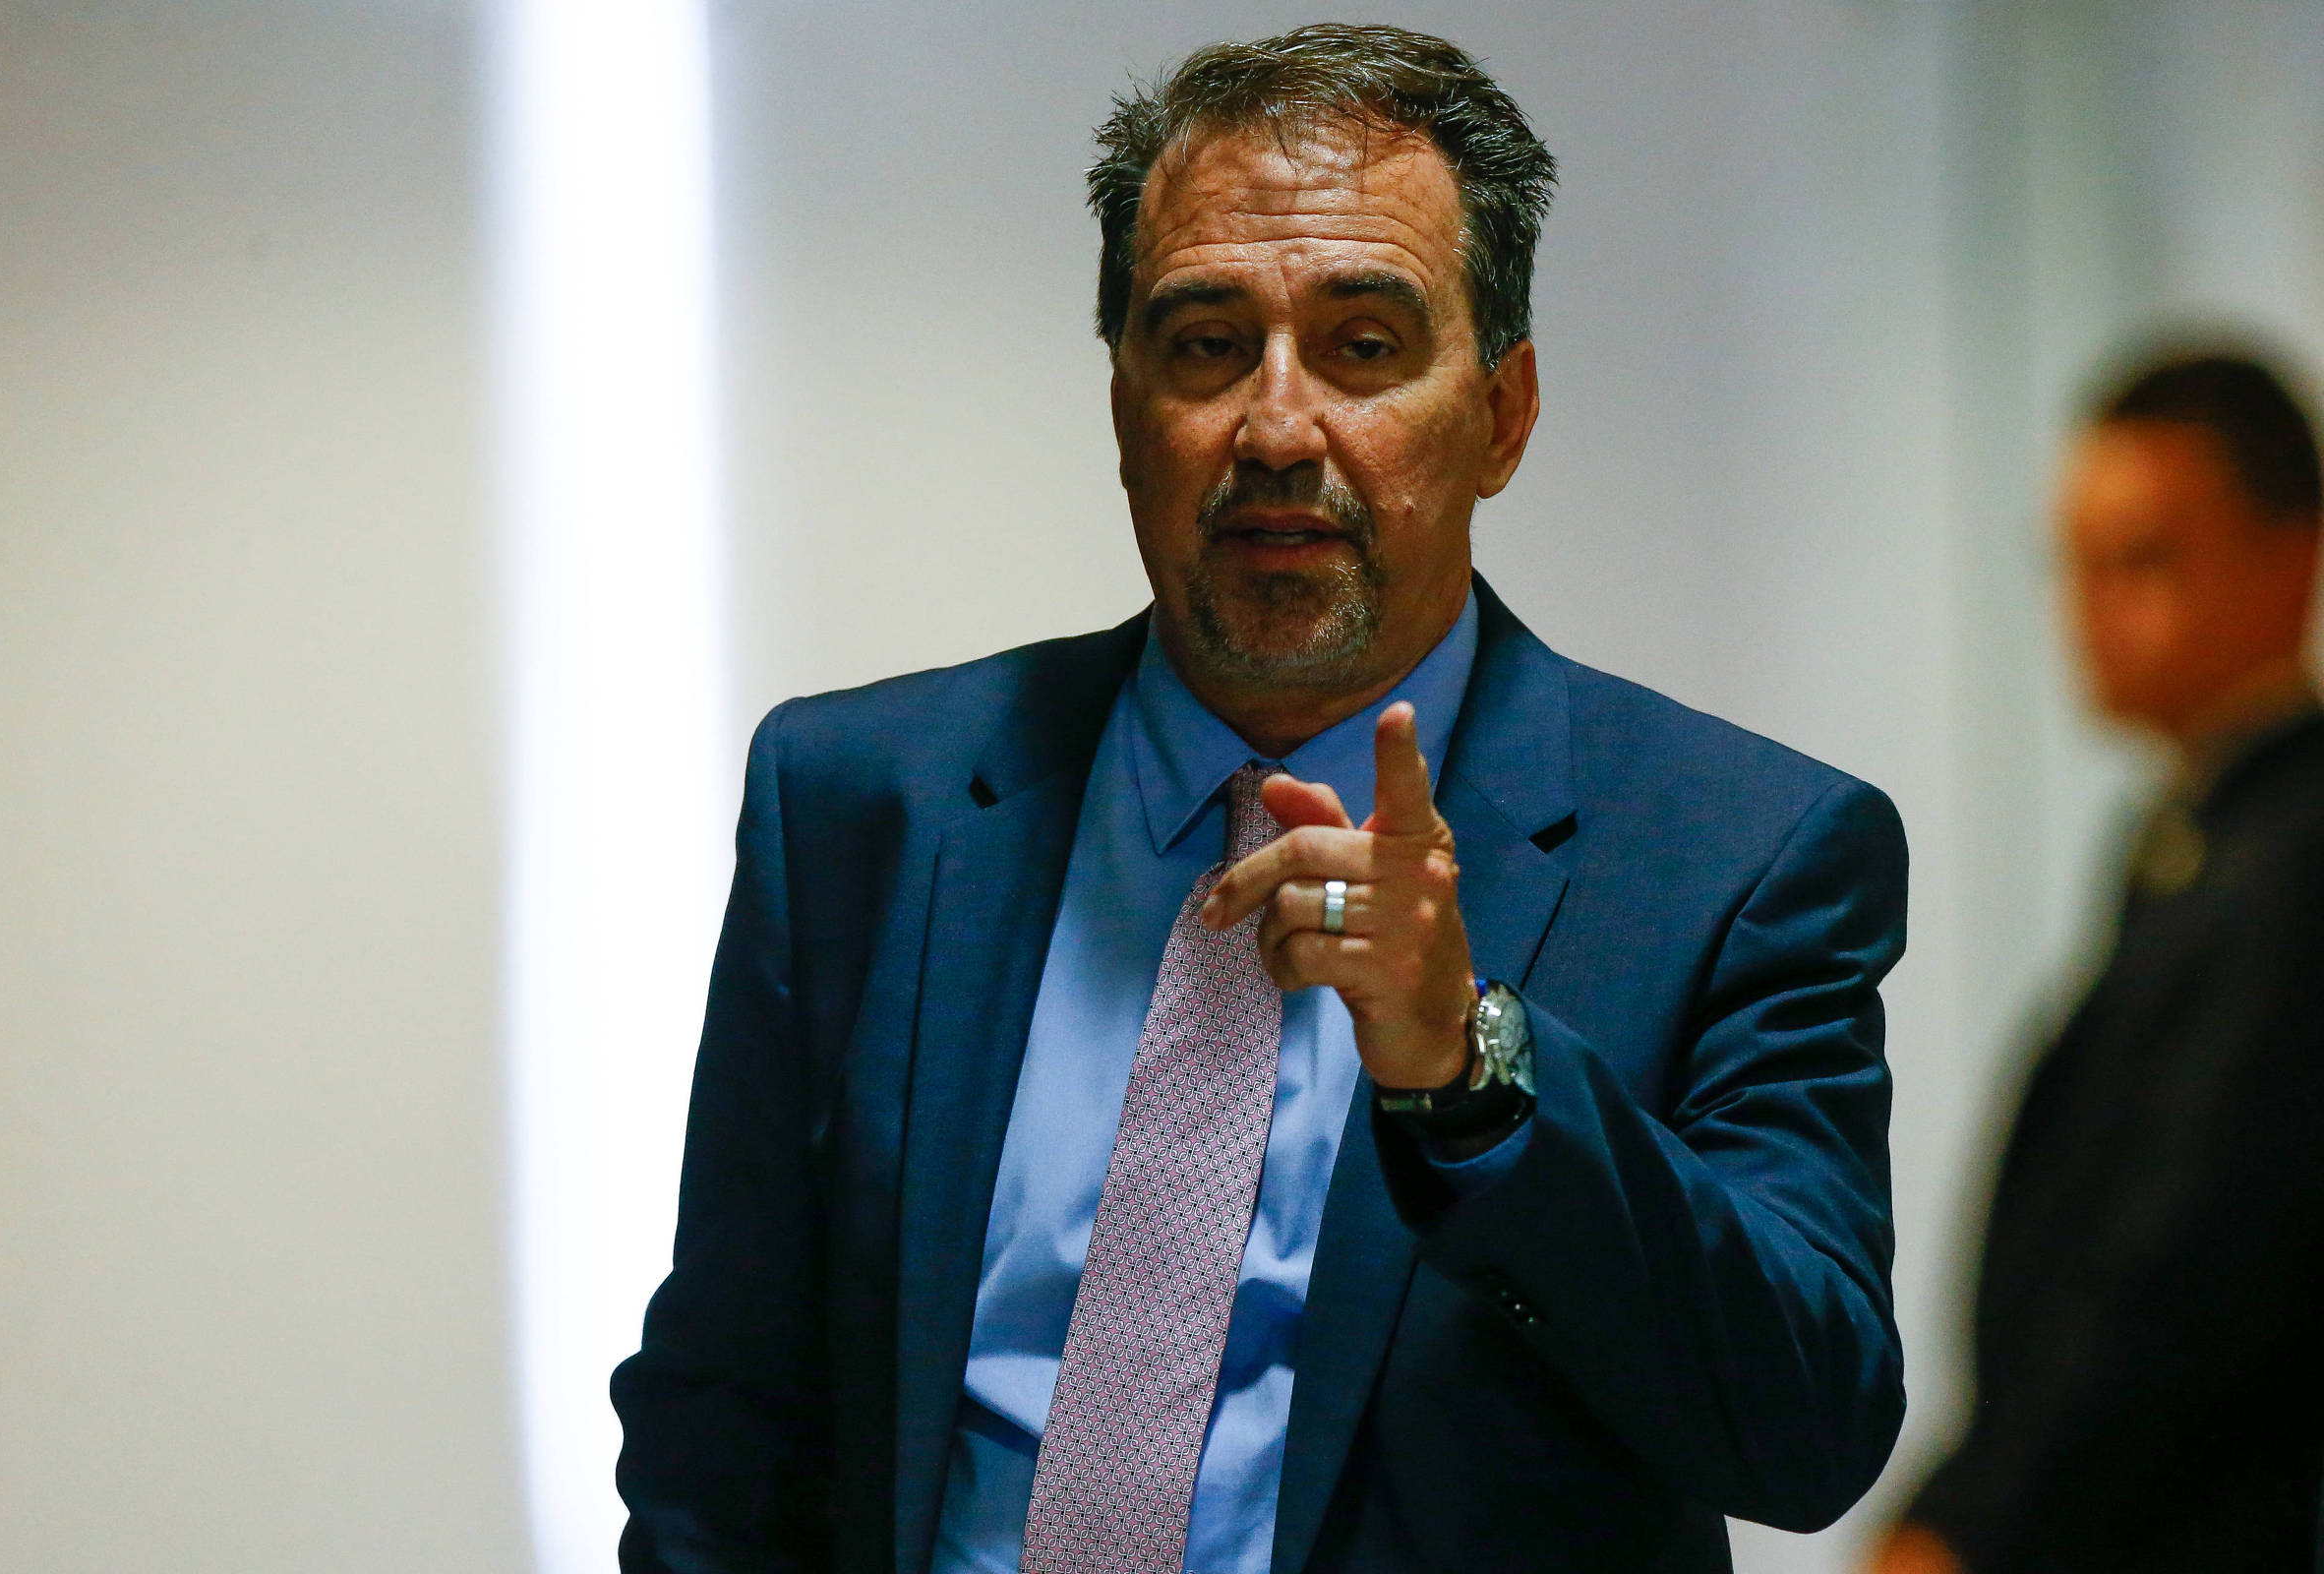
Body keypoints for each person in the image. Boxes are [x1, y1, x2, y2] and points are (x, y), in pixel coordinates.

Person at [614, 25, 1908, 1574]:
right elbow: (722, 1423)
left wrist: (1473, 1070)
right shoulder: (865, 807)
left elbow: (1807, 1428)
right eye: (1206, 345)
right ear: (1124, 410)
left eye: (1363, 346)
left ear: (1503, 413)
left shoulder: (1737, 856)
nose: (1279, 429)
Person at [1876, 351, 2324, 1574]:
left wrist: (1970, 1521)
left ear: (2292, 557)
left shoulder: (2294, 858)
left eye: (2145, 560)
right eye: (2074, 564)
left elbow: (2183, 1260)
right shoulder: (2192, 839)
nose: (2091, 607)